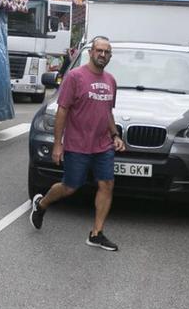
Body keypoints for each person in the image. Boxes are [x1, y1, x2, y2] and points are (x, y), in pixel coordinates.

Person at [28, 36, 126, 250]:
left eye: (107, 52)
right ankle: (42, 204)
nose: (103, 55)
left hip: (103, 145)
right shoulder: (75, 77)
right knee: (70, 187)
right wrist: (57, 144)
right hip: (78, 144)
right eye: (99, 50)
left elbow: (107, 111)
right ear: (90, 52)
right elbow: (62, 110)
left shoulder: (110, 81)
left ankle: (96, 233)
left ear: (110, 56)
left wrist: (115, 135)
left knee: (107, 184)